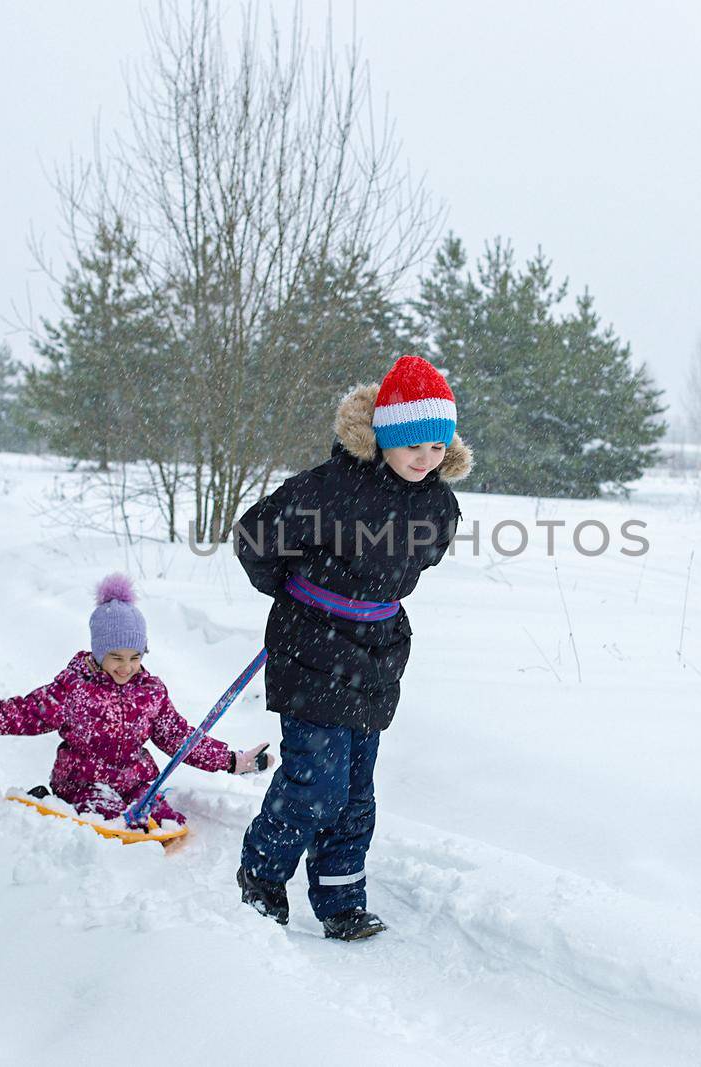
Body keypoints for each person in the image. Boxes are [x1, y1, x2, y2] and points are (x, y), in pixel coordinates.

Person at [233, 355, 472, 941]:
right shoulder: (328, 487)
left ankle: (341, 900)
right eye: (413, 443)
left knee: (356, 787)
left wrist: (370, 598)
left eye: (438, 445)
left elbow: (426, 555)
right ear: (384, 435)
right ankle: (262, 875)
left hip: (377, 652)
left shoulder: (437, 503)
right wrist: (294, 590)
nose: (425, 458)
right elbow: (254, 537)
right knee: (318, 780)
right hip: (310, 644)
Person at [0, 574, 272, 830]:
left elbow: (179, 738)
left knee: (159, 818)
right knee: (106, 815)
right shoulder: (73, 689)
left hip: (134, 779)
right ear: (98, 652)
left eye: (135, 656)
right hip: (82, 780)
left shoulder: (152, 692)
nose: (126, 667)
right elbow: (19, 715)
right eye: (116, 657)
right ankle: (63, 810)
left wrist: (231, 761)